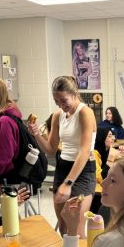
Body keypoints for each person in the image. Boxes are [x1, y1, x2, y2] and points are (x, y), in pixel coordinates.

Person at [29, 76, 96, 238]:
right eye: (56, 101)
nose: (60, 105)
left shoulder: (85, 113)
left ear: (74, 94)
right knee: (64, 228)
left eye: (63, 100)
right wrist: (37, 135)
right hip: (63, 167)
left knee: (77, 229)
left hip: (82, 170)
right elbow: (51, 150)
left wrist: (68, 183)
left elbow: (84, 152)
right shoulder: (58, 115)